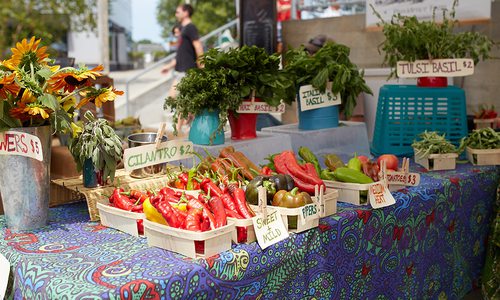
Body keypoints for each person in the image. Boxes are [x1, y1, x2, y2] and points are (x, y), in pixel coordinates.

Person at [162, 4, 203, 133]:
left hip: (188, 70)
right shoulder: (183, 29)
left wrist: (201, 64)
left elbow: (198, 46)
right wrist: (168, 66)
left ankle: (181, 128)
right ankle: (188, 119)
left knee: (177, 98)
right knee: (175, 98)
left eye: (178, 11)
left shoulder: (190, 28)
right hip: (180, 70)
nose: (176, 14)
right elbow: (181, 54)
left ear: (186, 12)